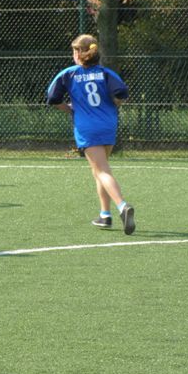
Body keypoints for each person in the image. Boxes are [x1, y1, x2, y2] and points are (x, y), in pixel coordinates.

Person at [46, 34, 135, 235]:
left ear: (78, 53)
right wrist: (114, 105)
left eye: (74, 51)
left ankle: (122, 206)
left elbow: (52, 98)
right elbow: (122, 93)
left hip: (87, 127)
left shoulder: (69, 74)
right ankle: (105, 215)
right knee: (100, 170)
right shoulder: (105, 73)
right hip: (108, 124)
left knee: (102, 171)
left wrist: (70, 109)